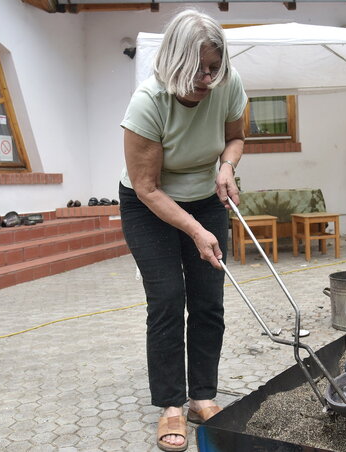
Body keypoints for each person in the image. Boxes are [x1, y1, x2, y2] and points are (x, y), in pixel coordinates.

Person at [118, 9, 247, 452]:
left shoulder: (227, 82)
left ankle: (203, 397)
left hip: (206, 197)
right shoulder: (148, 102)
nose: (207, 78)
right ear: (175, 61)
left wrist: (227, 166)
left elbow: (236, 137)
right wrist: (194, 229)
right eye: (198, 69)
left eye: (214, 67)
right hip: (148, 204)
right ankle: (171, 406)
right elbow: (147, 188)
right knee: (169, 299)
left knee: (209, 300)